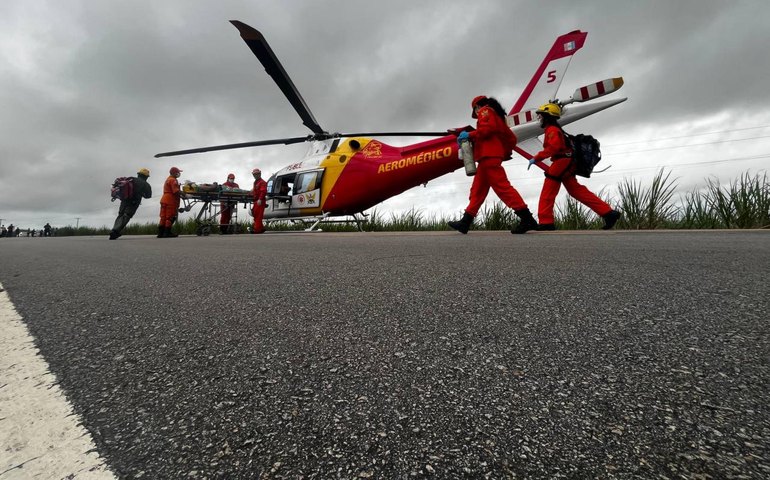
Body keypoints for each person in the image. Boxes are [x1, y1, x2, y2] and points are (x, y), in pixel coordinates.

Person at [448, 95, 538, 234]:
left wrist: (469, 135)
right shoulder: (496, 115)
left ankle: (527, 219)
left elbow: (487, 129)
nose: (477, 113)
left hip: (488, 155)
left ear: (477, 106)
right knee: (477, 191)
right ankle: (465, 222)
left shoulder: (485, 111)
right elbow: (507, 137)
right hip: (488, 157)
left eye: (475, 110)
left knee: (503, 188)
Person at [528, 103, 621, 231]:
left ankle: (546, 222)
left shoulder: (552, 130)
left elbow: (554, 148)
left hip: (561, 162)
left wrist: (536, 158)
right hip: (568, 162)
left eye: (541, 116)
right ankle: (609, 213)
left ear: (547, 116)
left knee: (548, 191)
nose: (539, 119)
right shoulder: (555, 129)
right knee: (576, 191)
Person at [109, 168, 152, 240]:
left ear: (138, 174)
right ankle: (115, 231)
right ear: (146, 177)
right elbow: (148, 196)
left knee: (121, 214)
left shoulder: (131, 179)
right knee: (127, 215)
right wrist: (141, 193)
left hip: (124, 200)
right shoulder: (146, 184)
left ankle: (114, 229)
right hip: (134, 202)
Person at [159, 166, 185, 238]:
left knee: (163, 217)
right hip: (170, 200)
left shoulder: (168, 179)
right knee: (170, 217)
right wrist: (184, 194)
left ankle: (161, 233)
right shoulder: (173, 180)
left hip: (164, 199)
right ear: (174, 173)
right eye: (178, 172)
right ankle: (167, 232)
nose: (179, 174)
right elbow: (176, 191)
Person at [251, 168, 268, 234]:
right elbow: (254, 191)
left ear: (260, 174)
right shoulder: (255, 182)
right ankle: (261, 228)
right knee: (255, 214)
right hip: (256, 201)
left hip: (260, 201)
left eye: (257, 174)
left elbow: (263, 191)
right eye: (254, 174)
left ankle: (257, 229)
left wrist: (260, 199)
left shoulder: (262, 182)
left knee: (258, 215)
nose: (256, 175)